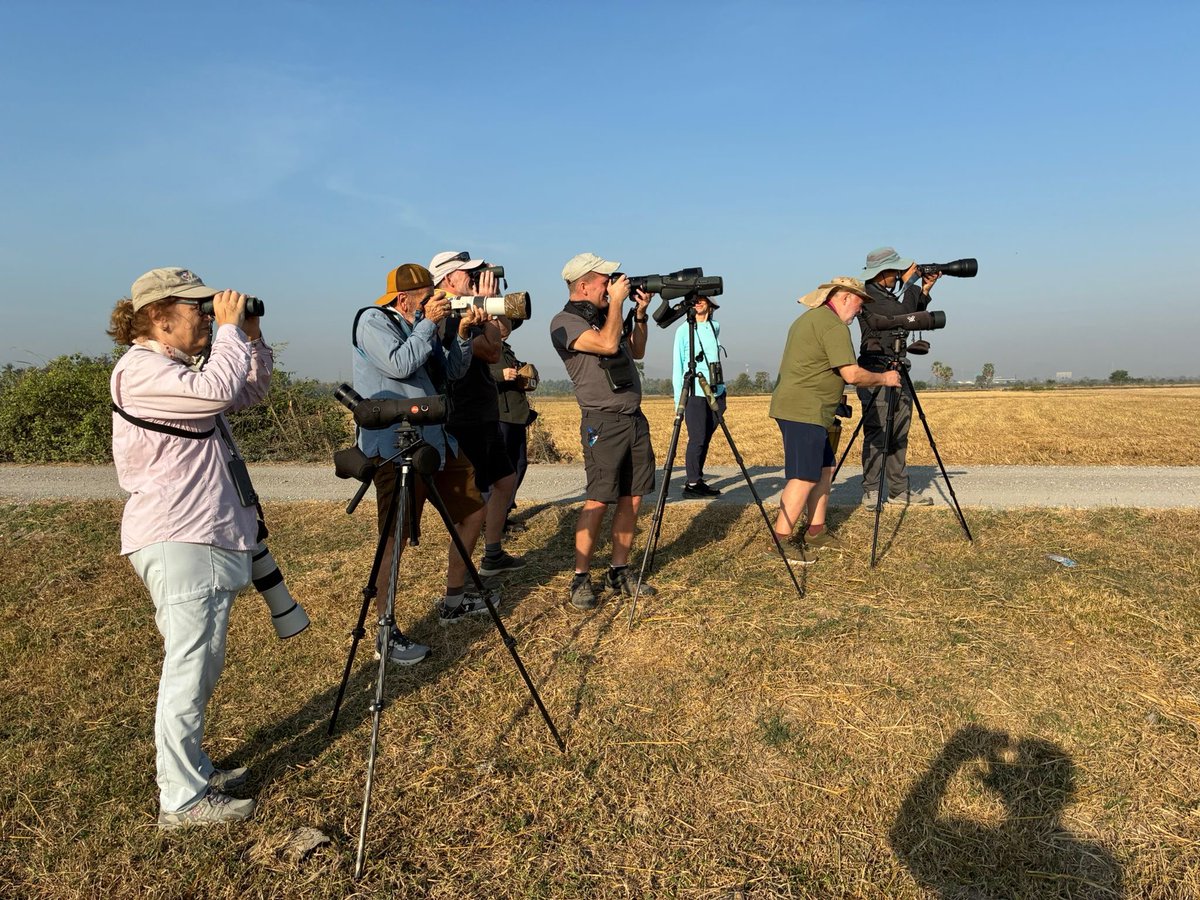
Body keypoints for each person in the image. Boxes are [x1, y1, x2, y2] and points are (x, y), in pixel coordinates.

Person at [108, 267, 272, 828]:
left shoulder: (173, 371)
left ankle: (192, 767)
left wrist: (249, 337)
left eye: (211, 309)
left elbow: (247, 391)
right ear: (159, 317)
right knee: (189, 667)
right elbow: (218, 389)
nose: (208, 317)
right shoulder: (141, 371)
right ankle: (181, 798)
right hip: (180, 533)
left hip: (199, 531)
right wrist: (229, 334)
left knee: (200, 665)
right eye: (198, 309)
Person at [352, 263, 489, 654]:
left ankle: (454, 598)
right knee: (392, 539)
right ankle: (385, 630)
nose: (436, 303)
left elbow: (453, 374)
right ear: (404, 299)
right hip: (395, 447)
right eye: (429, 297)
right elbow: (398, 364)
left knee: (472, 510)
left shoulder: (419, 324)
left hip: (436, 439)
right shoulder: (372, 321)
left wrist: (461, 335)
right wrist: (427, 324)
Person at [550, 252, 657, 610]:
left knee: (633, 496)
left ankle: (619, 569)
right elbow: (608, 345)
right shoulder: (563, 322)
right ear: (583, 285)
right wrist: (618, 305)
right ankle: (580, 577)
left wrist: (638, 315)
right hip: (602, 422)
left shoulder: (605, 316)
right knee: (598, 500)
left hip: (633, 419)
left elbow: (635, 350)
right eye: (604, 281)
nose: (610, 285)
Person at [769, 277, 900, 562]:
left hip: (806, 408)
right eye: (859, 303)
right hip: (804, 411)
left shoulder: (812, 319)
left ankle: (815, 531)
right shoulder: (833, 326)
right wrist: (885, 378)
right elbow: (852, 375)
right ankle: (780, 541)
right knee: (803, 476)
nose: (860, 311)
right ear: (843, 298)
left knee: (825, 469)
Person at [428, 250, 525, 577]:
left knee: (505, 479)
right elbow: (493, 350)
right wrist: (484, 302)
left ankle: (493, 553)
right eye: (466, 273)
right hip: (463, 416)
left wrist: (491, 302)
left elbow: (505, 331)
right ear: (447, 279)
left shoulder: (469, 306)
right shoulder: (445, 313)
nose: (473, 277)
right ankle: (462, 576)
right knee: (474, 502)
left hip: (483, 410)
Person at [856, 247, 941, 507]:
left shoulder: (887, 293)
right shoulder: (869, 296)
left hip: (897, 368)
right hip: (876, 371)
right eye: (895, 271)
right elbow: (900, 317)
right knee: (878, 432)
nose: (898, 275)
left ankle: (898, 490)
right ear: (882, 273)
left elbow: (910, 316)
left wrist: (924, 290)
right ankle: (871, 490)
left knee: (898, 432)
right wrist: (913, 282)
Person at [488, 314, 539, 532]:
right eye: (502, 320)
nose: (507, 325)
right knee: (500, 470)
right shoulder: (484, 346)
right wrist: (501, 374)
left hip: (516, 415)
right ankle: (490, 519)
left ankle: (503, 513)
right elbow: (475, 374)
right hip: (500, 415)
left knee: (519, 464)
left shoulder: (505, 348)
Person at [671, 296, 725, 497]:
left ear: (710, 305)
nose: (699, 303)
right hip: (694, 391)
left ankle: (697, 477)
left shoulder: (714, 327)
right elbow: (678, 365)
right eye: (695, 300)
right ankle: (692, 483)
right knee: (698, 438)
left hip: (715, 391)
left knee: (706, 437)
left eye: (703, 299)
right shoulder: (683, 330)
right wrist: (680, 401)